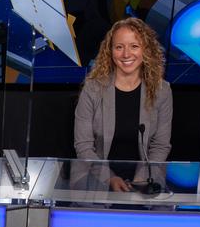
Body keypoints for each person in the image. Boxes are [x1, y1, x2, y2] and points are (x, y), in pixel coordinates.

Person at [72, 17, 173, 192]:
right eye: (119, 47)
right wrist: (109, 178)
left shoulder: (162, 90)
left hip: (145, 180)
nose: (126, 54)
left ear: (146, 50)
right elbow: (84, 146)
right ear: (110, 51)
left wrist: (142, 178)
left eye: (134, 46)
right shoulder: (93, 88)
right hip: (95, 178)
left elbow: (160, 145)